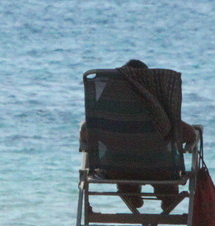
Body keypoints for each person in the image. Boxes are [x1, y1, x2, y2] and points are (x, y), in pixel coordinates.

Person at [83, 59, 198, 213]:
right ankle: (168, 197)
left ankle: (129, 193)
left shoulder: (106, 114)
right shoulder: (157, 111)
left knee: (123, 161)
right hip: (158, 170)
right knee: (161, 168)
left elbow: (86, 133)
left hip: (117, 170)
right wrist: (195, 135)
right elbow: (189, 135)